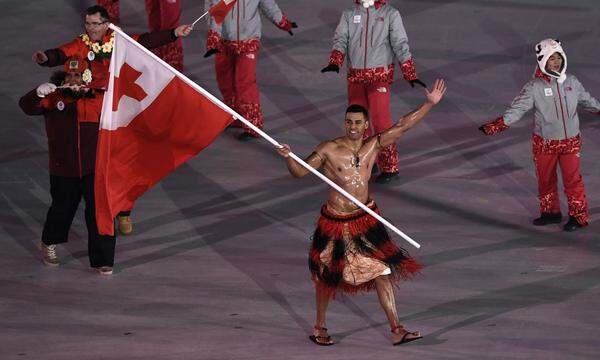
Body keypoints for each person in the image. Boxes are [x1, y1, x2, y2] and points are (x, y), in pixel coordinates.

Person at [276, 79, 446, 345]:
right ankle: (319, 328)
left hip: (365, 221)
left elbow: (403, 125)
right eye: (348, 122)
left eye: (357, 123)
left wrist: (428, 104)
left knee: (383, 271)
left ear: (366, 125)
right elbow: (299, 172)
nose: (352, 127)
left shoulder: (373, 146)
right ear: (344, 123)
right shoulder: (328, 149)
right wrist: (288, 157)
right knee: (326, 274)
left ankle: (396, 329)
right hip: (335, 222)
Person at [32, 5, 193, 235]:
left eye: (95, 24)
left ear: (106, 24)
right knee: (104, 164)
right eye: (87, 23)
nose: (90, 28)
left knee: (124, 161)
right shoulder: (81, 43)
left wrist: (174, 33)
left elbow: (145, 41)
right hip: (97, 111)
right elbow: (61, 53)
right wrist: (45, 57)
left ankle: (125, 211)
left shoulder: (119, 40)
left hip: (121, 108)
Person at [479, 39, 600, 232]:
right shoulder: (534, 87)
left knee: (573, 181)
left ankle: (578, 217)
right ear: (542, 61)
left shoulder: (572, 82)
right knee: (545, 180)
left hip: (571, 142)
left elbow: (588, 101)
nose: (556, 62)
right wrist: (498, 125)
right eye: (551, 58)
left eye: (558, 57)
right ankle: (550, 213)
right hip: (544, 143)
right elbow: (517, 109)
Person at [19, 57, 115, 275]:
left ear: (87, 77)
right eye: (70, 75)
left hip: (95, 169)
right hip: (63, 168)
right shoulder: (53, 98)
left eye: (79, 75)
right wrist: (37, 93)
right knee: (61, 211)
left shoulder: (100, 98)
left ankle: (103, 259)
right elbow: (26, 106)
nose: (73, 79)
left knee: (98, 213)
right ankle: (49, 243)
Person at [321, 0, 427, 184]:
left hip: (379, 77)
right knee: (359, 123)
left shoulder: (390, 14)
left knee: (381, 122)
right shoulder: (348, 14)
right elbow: (341, 39)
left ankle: (389, 166)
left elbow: (400, 44)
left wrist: (410, 73)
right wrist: (335, 61)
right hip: (355, 77)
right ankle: (368, 161)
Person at [204, 0, 297, 140]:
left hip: (249, 41)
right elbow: (214, 12)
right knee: (225, 81)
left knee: (245, 83)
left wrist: (283, 23)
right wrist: (214, 38)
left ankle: (253, 126)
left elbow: (268, 5)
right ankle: (235, 116)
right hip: (223, 42)